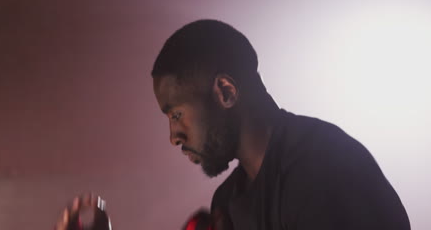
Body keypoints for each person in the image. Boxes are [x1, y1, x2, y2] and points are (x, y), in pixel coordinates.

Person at [152, 20, 410, 230]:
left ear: (226, 92)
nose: (174, 137)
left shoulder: (324, 169)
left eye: (176, 115)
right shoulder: (228, 200)